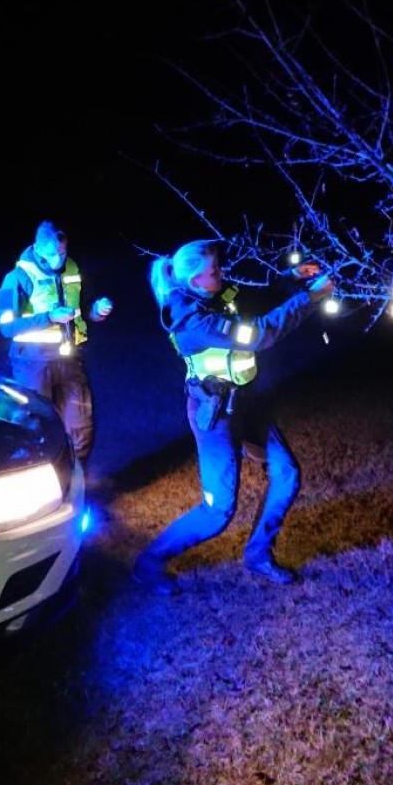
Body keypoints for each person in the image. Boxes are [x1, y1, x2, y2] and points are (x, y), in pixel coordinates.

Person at [132, 238, 334, 594]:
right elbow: (259, 334)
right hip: (214, 416)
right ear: (195, 280)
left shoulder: (214, 293)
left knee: (286, 473)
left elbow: (256, 296)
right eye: (214, 270)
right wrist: (311, 298)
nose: (221, 272)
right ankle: (148, 563)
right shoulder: (193, 320)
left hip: (246, 403)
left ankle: (258, 555)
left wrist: (292, 276)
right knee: (218, 512)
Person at [0, 220, 113, 481]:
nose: (58, 259)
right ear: (37, 248)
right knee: (36, 426)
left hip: (70, 359)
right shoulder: (16, 278)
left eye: (62, 252)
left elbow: (86, 307)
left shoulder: (73, 269)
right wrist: (49, 317)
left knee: (81, 425)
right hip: (33, 363)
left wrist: (98, 310)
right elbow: (6, 326)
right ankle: (40, 484)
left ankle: (76, 483)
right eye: (51, 254)